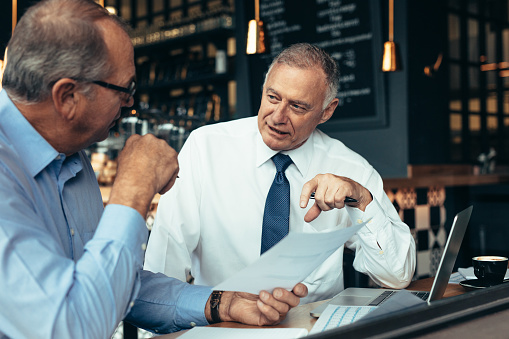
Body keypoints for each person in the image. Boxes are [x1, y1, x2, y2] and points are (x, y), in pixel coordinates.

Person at [0, 1, 308, 338]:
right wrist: (134, 188)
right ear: (68, 96)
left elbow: (113, 284)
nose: (130, 102)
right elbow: (70, 327)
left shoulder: (71, 154)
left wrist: (221, 303)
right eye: (125, 89)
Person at [144, 43, 416, 304]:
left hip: (313, 330)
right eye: (272, 97)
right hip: (223, 327)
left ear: (326, 111)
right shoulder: (205, 148)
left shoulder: (351, 169)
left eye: (297, 107)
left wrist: (361, 201)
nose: (277, 116)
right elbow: (164, 265)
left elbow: (397, 275)